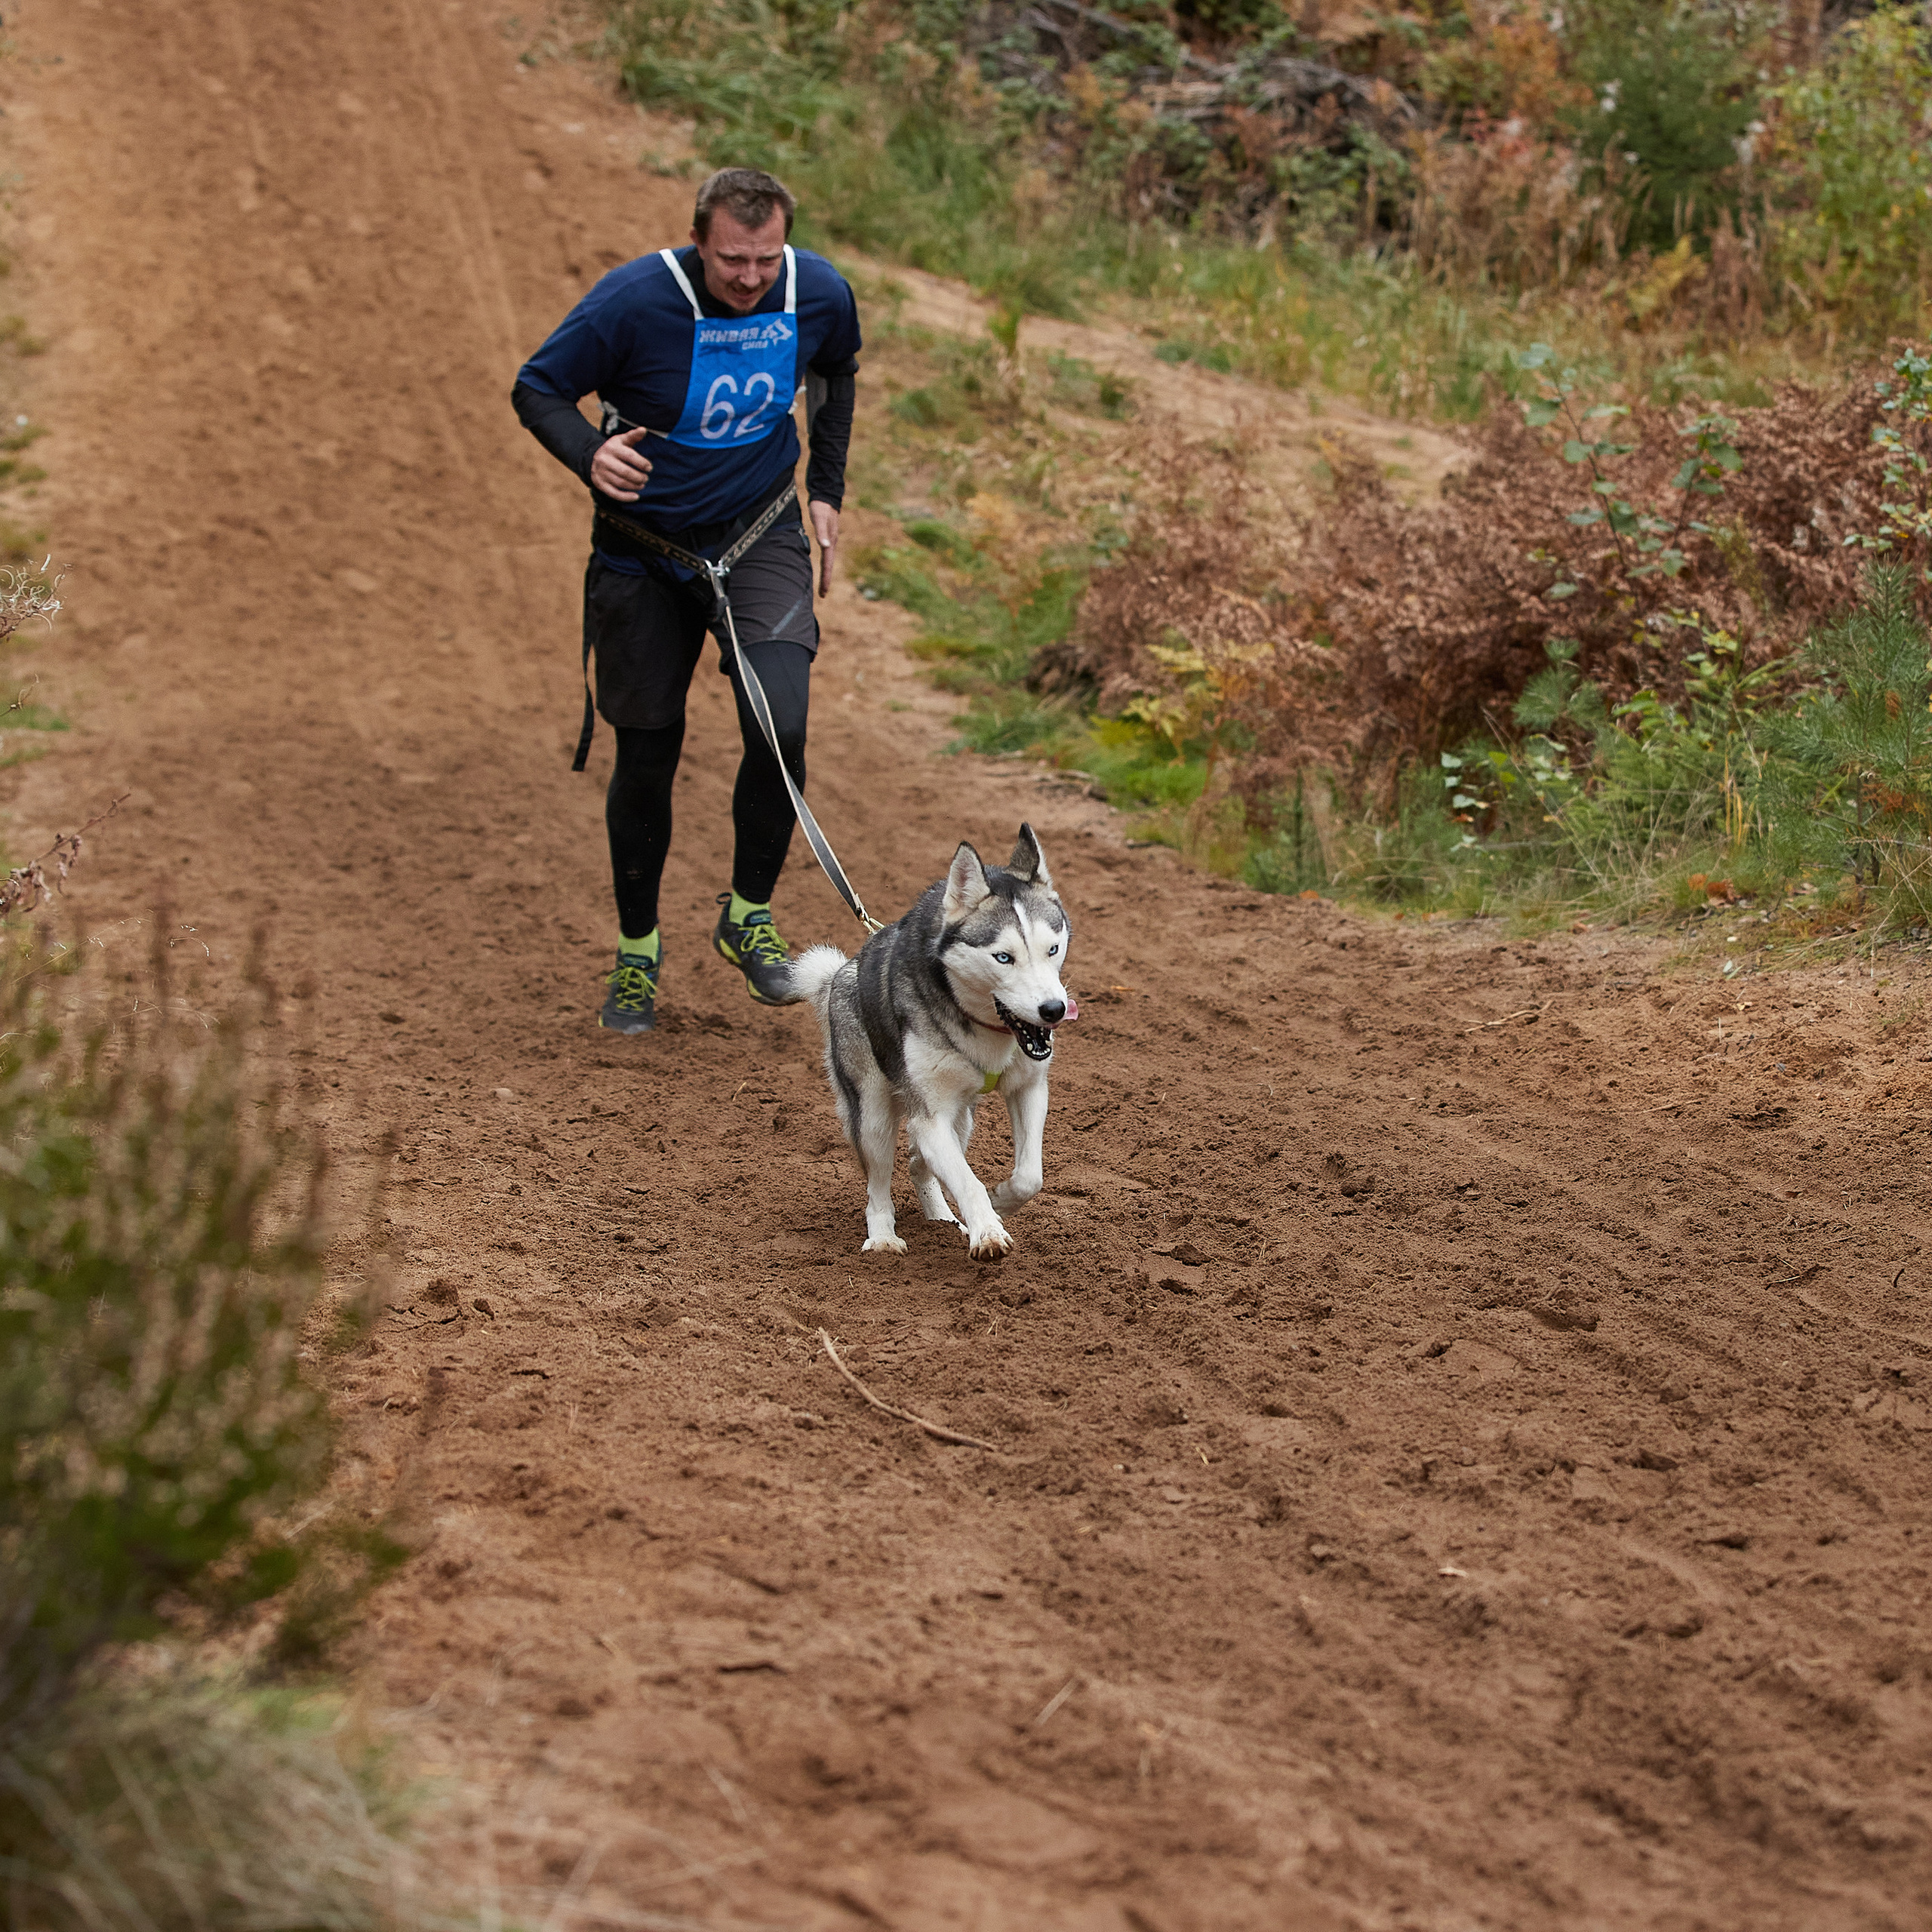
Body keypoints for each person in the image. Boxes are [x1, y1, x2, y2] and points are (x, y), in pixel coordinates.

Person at [511, 167, 861, 1034]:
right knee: (648, 752)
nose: (750, 279)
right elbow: (537, 388)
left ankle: (747, 916)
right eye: (733, 260)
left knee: (780, 725)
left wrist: (824, 489)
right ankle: (637, 951)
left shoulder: (816, 289)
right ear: (698, 240)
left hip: (758, 532)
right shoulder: (630, 302)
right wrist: (586, 457)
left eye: (765, 259)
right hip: (643, 553)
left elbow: (836, 372)